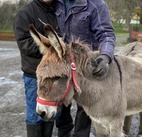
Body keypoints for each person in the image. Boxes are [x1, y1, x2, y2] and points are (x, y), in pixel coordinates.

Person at [54, 0, 116, 137]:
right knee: (62, 99)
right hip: (63, 63)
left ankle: (81, 134)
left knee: (85, 105)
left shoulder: (97, 5)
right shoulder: (56, 3)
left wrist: (105, 56)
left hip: (85, 65)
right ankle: (63, 131)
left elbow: (106, 34)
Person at [13, 0, 60, 136]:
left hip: (53, 73)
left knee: (49, 111)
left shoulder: (58, 10)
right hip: (35, 75)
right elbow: (24, 43)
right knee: (35, 114)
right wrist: (52, 49)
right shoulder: (25, 14)